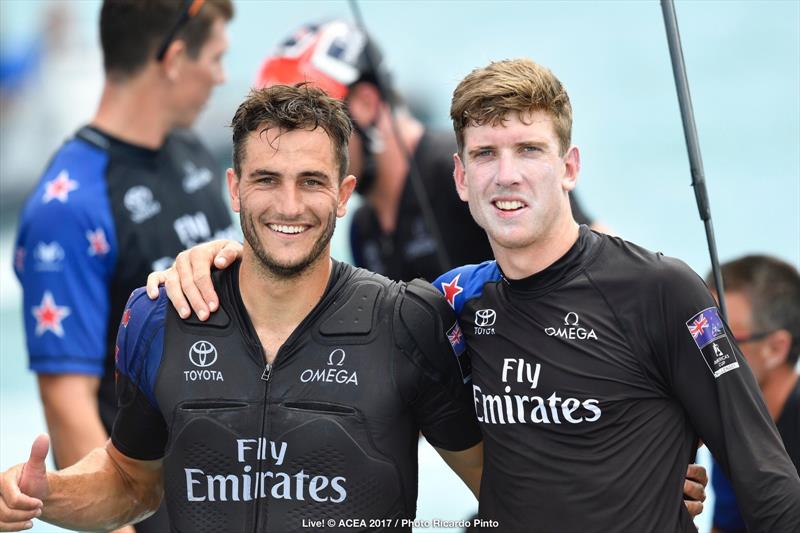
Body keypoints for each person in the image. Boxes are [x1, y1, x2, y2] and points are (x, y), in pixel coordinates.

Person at [142, 58, 799, 532]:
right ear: (460, 177)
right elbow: (324, 298)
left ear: (569, 168)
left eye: (529, 149)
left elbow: (767, 481)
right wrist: (214, 260)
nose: (506, 174)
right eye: (485, 153)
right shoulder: (452, 302)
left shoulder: (663, 290)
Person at [0, 84, 484, 533]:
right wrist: (45, 494)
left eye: (312, 181)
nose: (289, 205)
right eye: (267, 180)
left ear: (342, 195)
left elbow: (504, 489)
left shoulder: (408, 323)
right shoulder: (161, 318)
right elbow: (131, 484)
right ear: (234, 188)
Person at [11, 1, 237, 531]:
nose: (222, 76)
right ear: (176, 58)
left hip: (241, 486)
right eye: (217, 57)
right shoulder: (69, 205)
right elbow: (67, 401)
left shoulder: (193, 154)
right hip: (157, 507)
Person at [255, 20, 608, 283]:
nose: (293, 152)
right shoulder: (363, 228)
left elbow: (598, 250)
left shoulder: (463, 171)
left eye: (308, 125)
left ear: (365, 105)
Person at [706, 255, 800, 533]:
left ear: (775, 348)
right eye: (701, 336)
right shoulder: (731, 429)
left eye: (721, 338)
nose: (706, 352)